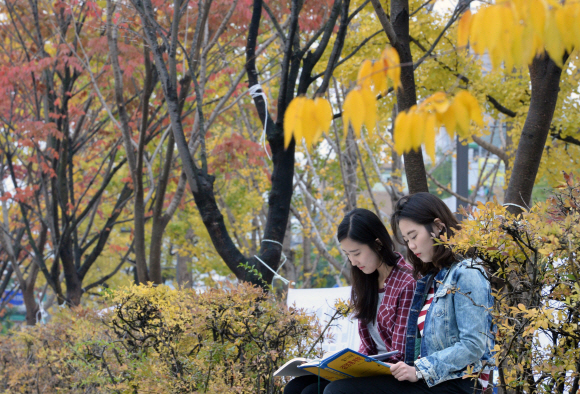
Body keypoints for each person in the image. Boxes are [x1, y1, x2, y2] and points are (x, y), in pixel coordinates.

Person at [323, 193, 494, 394]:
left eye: (413, 236)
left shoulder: (468, 272)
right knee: (307, 387)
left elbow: (474, 346)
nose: (411, 246)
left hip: (457, 383)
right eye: (406, 239)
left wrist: (420, 370)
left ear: (439, 226)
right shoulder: (433, 277)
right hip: (431, 379)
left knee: (338, 391)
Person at [284, 208, 416, 394]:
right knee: (297, 387)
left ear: (377, 244)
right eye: (347, 255)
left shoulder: (407, 283)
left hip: (394, 374)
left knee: (334, 390)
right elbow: (367, 346)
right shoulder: (365, 281)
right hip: (370, 368)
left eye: (356, 253)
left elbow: (401, 353)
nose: (353, 262)